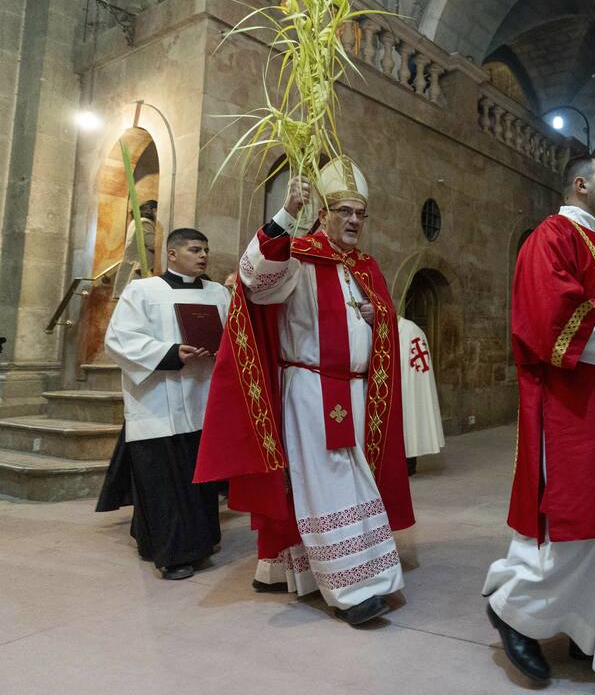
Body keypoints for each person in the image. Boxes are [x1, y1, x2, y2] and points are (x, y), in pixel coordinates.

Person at [195, 158, 414, 627]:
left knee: (344, 481)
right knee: (331, 484)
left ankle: (291, 569)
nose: (354, 220)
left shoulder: (364, 266)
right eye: (343, 211)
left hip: (358, 391)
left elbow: (380, 315)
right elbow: (255, 282)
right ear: (322, 213)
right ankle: (352, 588)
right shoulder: (297, 254)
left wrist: (380, 319)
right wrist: (284, 214)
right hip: (314, 389)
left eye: (360, 213)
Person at [483, 156, 595, 682]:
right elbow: (552, 321)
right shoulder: (552, 237)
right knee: (580, 521)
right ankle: (513, 610)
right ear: (581, 185)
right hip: (571, 410)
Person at [96, 227, 229, 580]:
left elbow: (234, 338)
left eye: (206, 249)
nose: (203, 255)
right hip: (158, 401)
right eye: (194, 249)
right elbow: (119, 339)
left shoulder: (218, 293)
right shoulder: (143, 290)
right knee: (164, 482)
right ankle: (173, 554)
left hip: (202, 397)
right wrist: (171, 353)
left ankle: (201, 542)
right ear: (172, 254)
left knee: (199, 482)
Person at [397, 315, 444, 474]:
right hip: (395, 385)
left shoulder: (411, 330)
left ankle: (409, 463)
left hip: (409, 383)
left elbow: (416, 364)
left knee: (410, 419)